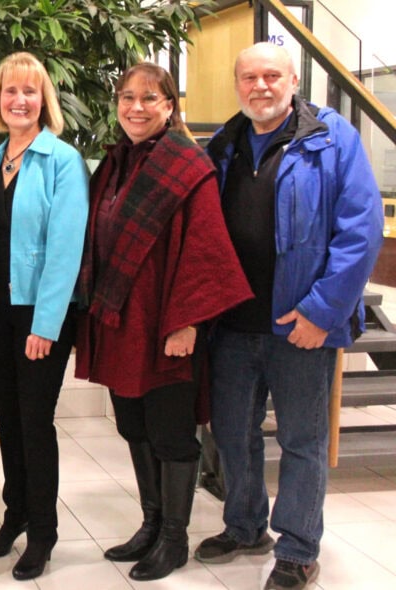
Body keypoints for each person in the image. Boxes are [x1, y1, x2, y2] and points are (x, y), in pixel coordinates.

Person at [195, 43, 383, 590]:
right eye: (249, 77)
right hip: (232, 324)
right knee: (233, 433)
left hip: (300, 326)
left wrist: (322, 312)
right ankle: (246, 525)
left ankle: (298, 549)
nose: (261, 86)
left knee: (302, 441)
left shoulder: (332, 139)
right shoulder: (225, 144)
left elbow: (360, 233)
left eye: (271, 76)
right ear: (237, 84)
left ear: (293, 80)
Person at [74, 62, 252, 581]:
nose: (136, 107)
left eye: (149, 98)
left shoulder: (187, 166)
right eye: (127, 97)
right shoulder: (114, 164)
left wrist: (187, 324)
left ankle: (174, 538)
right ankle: (151, 524)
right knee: (133, 426)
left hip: (167, 325)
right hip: (120, 322)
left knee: (172, 433)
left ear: (170, 106)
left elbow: (206, 250)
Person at [0, 52, 88, 581]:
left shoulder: (61, 160)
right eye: (10, 91)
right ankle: (14, 514)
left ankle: (43, 532)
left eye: (29, 92)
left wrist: (46, 324)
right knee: (9, 421)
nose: (19, 100)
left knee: (35, 423)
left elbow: (67, 248)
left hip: (39, 316)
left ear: (44, 100)